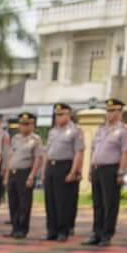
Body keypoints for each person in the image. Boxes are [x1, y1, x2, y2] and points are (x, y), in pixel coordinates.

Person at [85, 98, 127, 246]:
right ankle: (96, 233)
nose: (109, 114)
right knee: (98, 203)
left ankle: (107, 234)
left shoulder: (124, 130)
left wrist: (121, 172)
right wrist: (91, 169)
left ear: (120, 112)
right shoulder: (101, 129)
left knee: (110, 203)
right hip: (97, 167)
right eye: (108, 110)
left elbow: (125, 152)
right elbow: (94, 150)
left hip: (111, 168)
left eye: (113, 111)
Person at [43, 103, 83, 240]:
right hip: (51, 166)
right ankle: (51, 230)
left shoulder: (75, 131)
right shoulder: (52, 131)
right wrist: (44, 171)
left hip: (65, 166)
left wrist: (73, 171)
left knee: (63, 201)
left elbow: (78, 152)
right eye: (56, 114)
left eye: (61, 114)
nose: (58, 117)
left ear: (69, 114)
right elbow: (47, 153)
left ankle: (63, 231)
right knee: (50, 201)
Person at [3, 111, 42, 239]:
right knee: (13, 202)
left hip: (25, 173)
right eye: (21, 124)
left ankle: (22, 229)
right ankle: (14, 227)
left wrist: (32, 176)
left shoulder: (35, 139)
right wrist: (7, 175)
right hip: (13, 173)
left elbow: (37, 159)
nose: (24, 126)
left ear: (32, 125)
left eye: (27, 124)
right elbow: (10, 157)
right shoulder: (15, 138)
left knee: (24, 203)